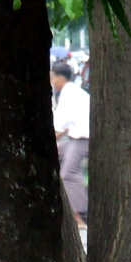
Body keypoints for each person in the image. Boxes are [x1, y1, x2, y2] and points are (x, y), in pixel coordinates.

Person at [50, 61, 90, 229]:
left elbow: (60, 123)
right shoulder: (70, 92)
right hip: (74, 135)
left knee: (68, 173)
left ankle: (78, 217)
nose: (51, 81)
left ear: (60, 78)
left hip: (83, 137)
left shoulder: (69, 93)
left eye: (52, 78)